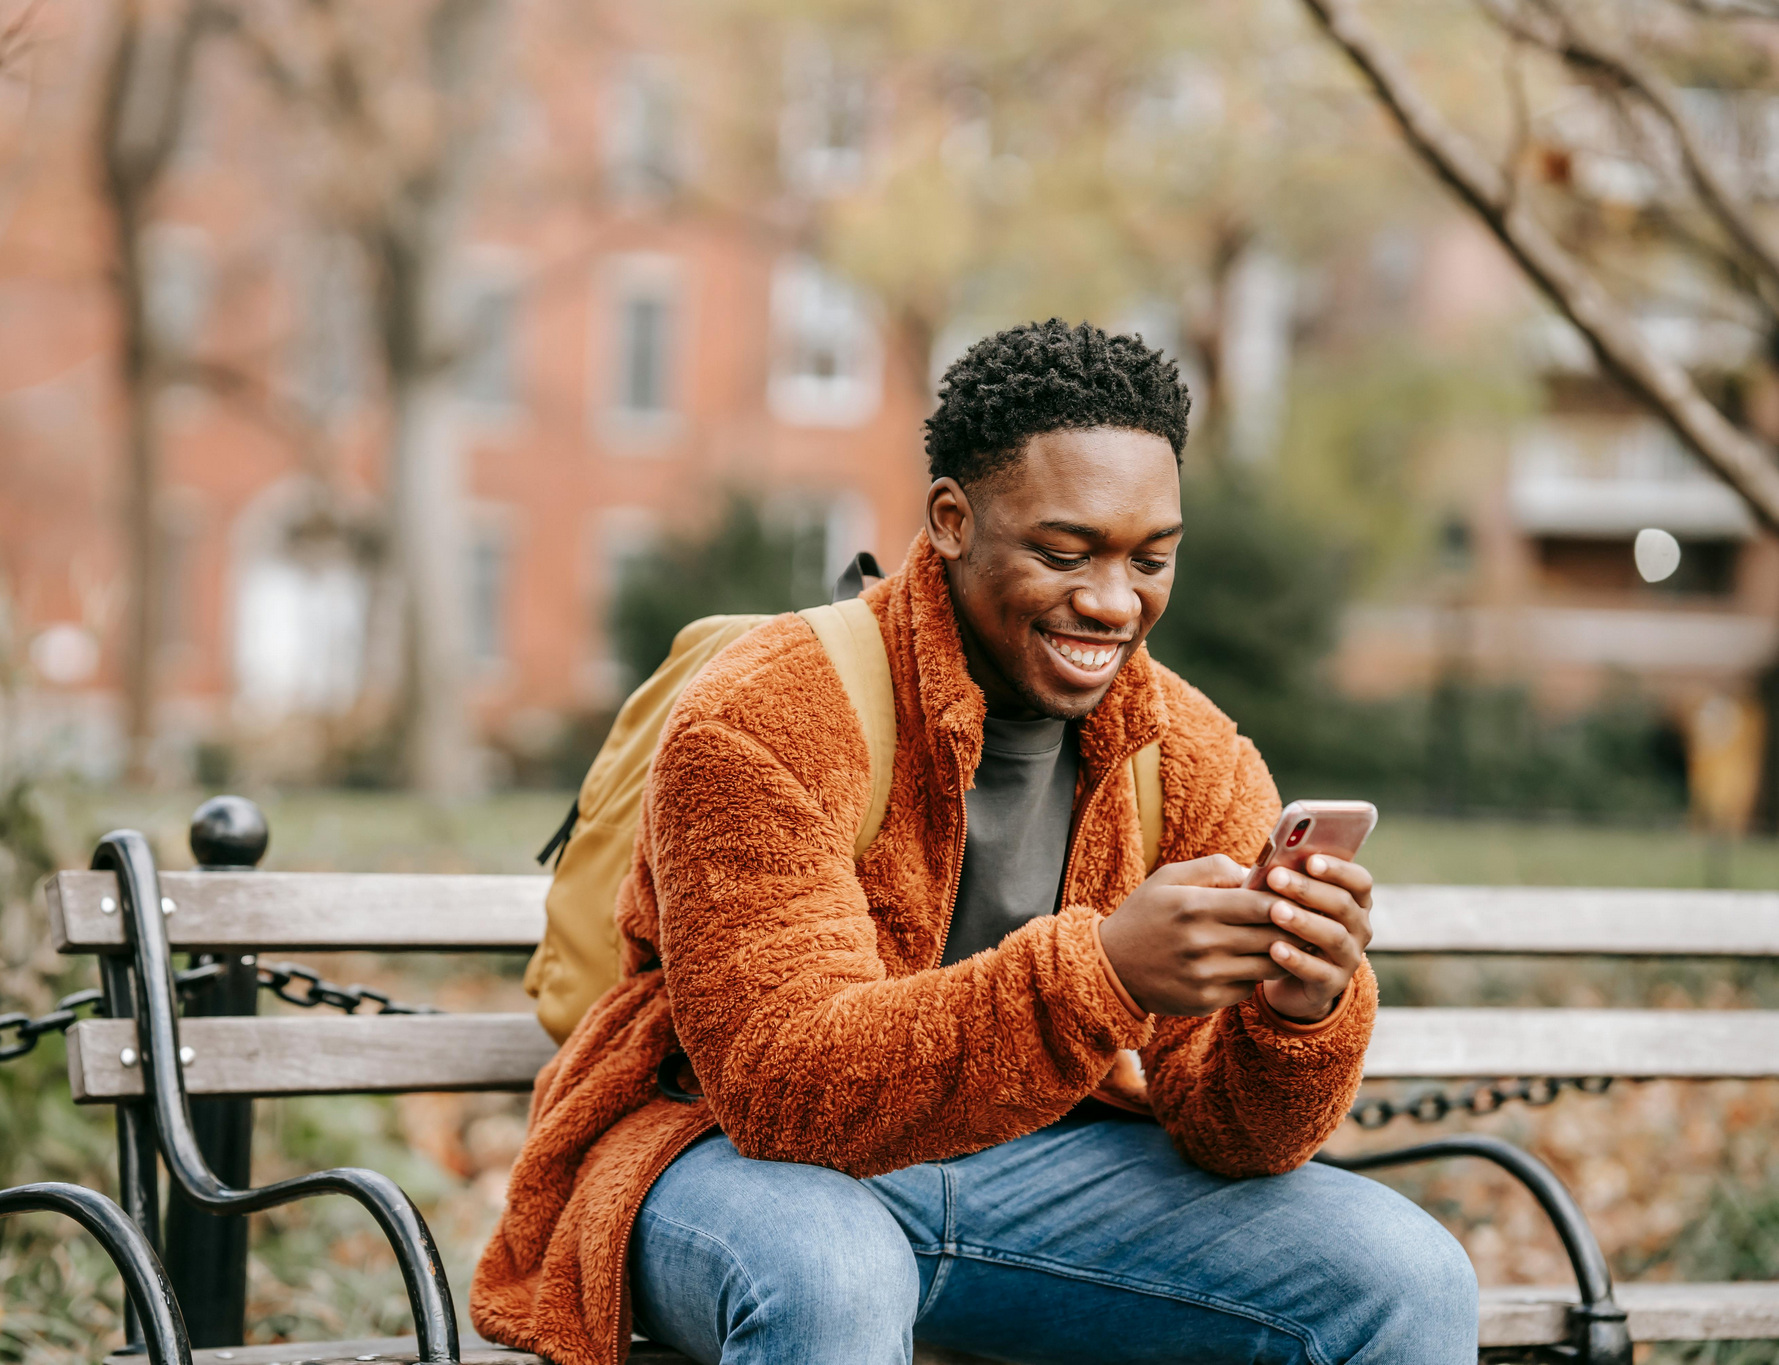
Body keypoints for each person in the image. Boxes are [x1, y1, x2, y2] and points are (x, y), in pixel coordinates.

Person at [473, 320, 1479, 1365]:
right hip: (722, 1162)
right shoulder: (765, 710)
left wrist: (1295, 1009)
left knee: (1402, 1279)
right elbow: (781, 1091)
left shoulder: (1191, 757)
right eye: (1062, 550)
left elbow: (1236, 1136)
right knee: (832, 1274)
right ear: (951, 521)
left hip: (1035, 1180)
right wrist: (1098, 973)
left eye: (1150, 558)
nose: (1109, 600)